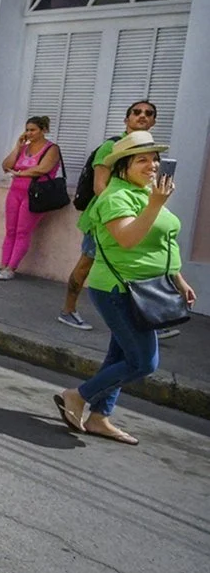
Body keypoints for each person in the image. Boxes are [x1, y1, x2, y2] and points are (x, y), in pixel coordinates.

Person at [56, 132, 194, 445]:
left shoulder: (147, 192)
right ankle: (77, 395)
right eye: (142, 159)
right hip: (119, 290)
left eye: (154, 159)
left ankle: (100, 417)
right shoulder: (115, 197)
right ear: (122, 167)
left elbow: (165, 241)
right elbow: (128, 239)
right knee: (144, 362)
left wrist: (178, 279)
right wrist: (156, 205)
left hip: (149, 287)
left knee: (120, 358)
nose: (152, 165)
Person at [59, 100, 159, 331]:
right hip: (104, 219)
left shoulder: (150, 152)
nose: (142, 116)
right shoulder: (111, 147)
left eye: (148, 113)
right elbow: (99, 186)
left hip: (136, 218)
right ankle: (68, 310)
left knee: (135, 265)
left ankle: (147, 316)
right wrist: (117, 213)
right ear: (127, 119)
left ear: (153, 121)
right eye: (136, 112)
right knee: (86, 263)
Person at [0, 115, 60, 280]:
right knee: (10, 230)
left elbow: (42, 169)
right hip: (15, 192)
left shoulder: (52, 149)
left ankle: (11, 267)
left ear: (43, 130)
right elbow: (6, 166)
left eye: (33, 130)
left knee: (23, 231)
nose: (29, 133)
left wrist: (20, 173)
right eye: (27, 130)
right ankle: (3, 264)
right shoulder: (24, 148)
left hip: (34, 193)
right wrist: (17, 147)